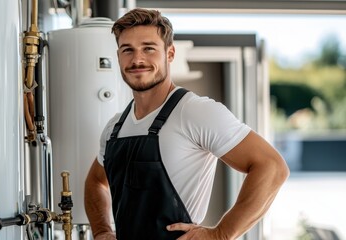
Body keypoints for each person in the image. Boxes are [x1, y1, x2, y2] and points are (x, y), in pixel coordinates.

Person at [84, 8, 289, 240]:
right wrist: (101, 231)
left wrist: (220, 234)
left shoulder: (195, 111)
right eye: (127, 50)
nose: (137, 59)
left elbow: (272, 167)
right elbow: (96, 182)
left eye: (148, 49)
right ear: (118, 56)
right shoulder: (114, 127)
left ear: (170, 53)